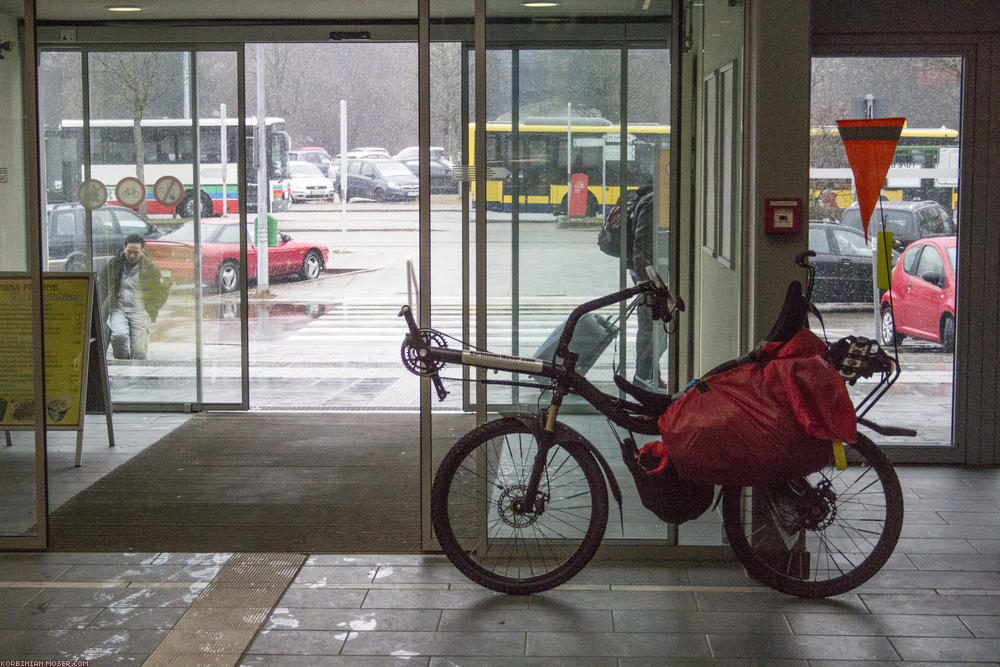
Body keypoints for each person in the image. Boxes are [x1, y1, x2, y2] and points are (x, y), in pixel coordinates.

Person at [104, 233, 168, 360]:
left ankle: (138, 373)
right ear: (124, 248)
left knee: (139, 351)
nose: (132, 255)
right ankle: (123, 364)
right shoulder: (114, 264)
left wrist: (151, 309)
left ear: (142, 251)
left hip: (140, 310)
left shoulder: (151, 268)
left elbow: (161, 291)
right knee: (118, 336)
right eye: (129, 252)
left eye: (136, 252)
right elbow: (102, 284)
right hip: (119, 309)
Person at [628, 184, 666, 391]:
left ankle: (650, 376)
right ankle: (643, 379)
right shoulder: (653, 201)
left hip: (648, 275)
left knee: (653, 332)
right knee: (651, 332)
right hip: (648, 278)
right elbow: (641, 244)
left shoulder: (650, 199)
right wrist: (644, 282)